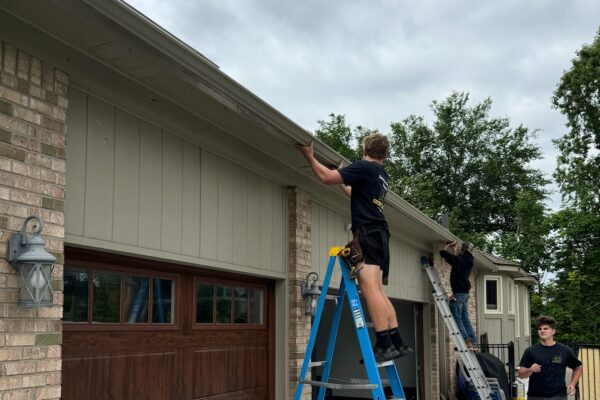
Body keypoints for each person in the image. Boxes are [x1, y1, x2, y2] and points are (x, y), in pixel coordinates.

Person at [297, 133, 410, 363]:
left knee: (369, 290)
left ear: (365, 148)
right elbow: (352, 191)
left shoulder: (364, 168)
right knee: (377, 290)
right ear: (385, 154)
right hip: (380, 235)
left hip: (367, 233)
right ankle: (397, 341)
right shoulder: (381, 174)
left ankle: (384, 344)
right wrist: (345, 177)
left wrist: (309, 155)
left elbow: (325, 177)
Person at [518, 315, 583, 400]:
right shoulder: (530, 351)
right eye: (539, 329)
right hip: (536, 396)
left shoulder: (564, 350)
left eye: (545, 329)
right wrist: (530, 370)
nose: (542, 331)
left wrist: (572, 384)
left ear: (553, 331)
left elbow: (578, 367)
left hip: (559, 396)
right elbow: (521, 374)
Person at [439, 240, 477, 348]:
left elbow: (442, 252)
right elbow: (456, 262)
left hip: (458, 294)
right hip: (465, 294)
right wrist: (455, 250)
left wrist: (448, 245)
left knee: (457, 317)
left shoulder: (458, 259)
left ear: (463, 249)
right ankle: (473, 341)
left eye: (461, 247)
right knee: (465, 318)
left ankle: (466, 340)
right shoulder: (469, 260)